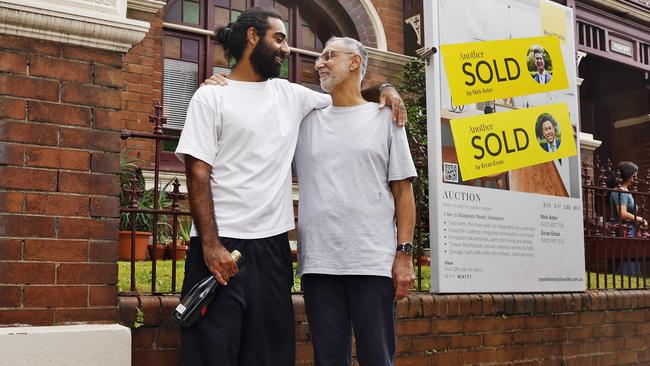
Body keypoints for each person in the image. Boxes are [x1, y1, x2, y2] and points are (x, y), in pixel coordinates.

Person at [175, 8, 406, 366]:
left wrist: (387, 88)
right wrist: (210, 246)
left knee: (269, 353)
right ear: (253, 37)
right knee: (211, 351)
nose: (287, 49)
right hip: (220, 244)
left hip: (272, 248)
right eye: (279, 38)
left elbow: (348, 95)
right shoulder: (211, 97)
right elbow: (197, 174)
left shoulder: (291, 95)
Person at [294, 37, 417, 366]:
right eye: (319, 57)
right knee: (328, 360)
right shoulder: (306, 119)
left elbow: (403, 192)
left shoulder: (385, 119)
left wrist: (404, 255)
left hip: (371, 262)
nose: (319, 63)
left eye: (329, 55)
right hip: (319, 263)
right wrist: (222, 82)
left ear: (354, 63)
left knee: (377, 358)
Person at [608, 161, 648, 238]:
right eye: (634, 173)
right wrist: (640, 219)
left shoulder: (626, 191)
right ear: (627, 174)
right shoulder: (620, 190)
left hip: (629, 228)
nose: (636, 175)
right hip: (624, 229)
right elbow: (622, 214)